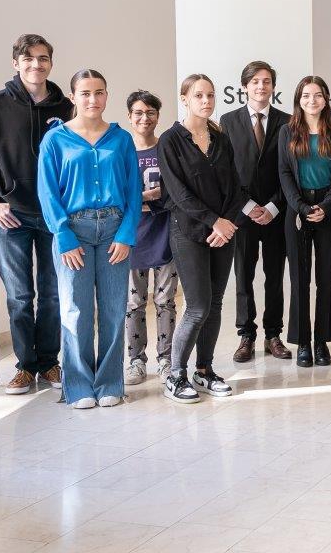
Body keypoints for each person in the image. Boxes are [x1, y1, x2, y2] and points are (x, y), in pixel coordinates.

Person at [0, 34, 73, 394]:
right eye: (28, 58)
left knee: (53, 293)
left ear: (51, 63)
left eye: (43, 58)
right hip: (11, 219)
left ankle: (49, 363)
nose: (36, 65)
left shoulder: (67, 108)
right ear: (15, 62)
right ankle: (25, 366)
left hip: (56, 218)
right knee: (20, 296)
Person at [37, 70, 141, 408]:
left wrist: (127, 233)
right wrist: (63, 234)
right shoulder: (55, 140)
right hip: (73, 233)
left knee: (113, 309)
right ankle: (79, 386)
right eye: (85, 93)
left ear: (107, 96)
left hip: (114, 230)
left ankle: (110, 382)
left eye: (98, 92)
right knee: (75, 311)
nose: (92, 100)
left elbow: (134, 191)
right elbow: (47, 191)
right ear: (73, 97)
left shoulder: (121, 139)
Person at [159, 74, 250, 404]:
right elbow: (179, 194)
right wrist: (214, 222)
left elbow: (236, 188)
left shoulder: (220, 138)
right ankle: (176, 374)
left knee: (213, 306)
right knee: (197, 307)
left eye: (210, 95)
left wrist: (227, 225)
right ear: (184, 98)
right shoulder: (170, 141)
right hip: (189, 232)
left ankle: (205, 370)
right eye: (199, 95)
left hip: (223, 233)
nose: (207, 101)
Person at [223, 61, 292, 364]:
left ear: (273, 87)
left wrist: (274, 206)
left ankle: (273, 334)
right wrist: (249, 207)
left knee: (275, 277)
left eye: (266, 82)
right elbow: (226, 172)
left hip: (277, 213)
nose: (261, 87)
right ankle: (246, 335)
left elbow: (290, 171)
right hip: (243, 214)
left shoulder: (288, 122)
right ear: (244, 87)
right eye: (255, 82)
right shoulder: (227, 121)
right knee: (244, 276)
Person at [278, 76, 331, 368]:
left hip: (327, 211)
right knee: (300, 280)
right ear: (298, 100)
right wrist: (301, 207)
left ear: (326, 99)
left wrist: (326, 206)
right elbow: (284, 173)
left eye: (317, 95)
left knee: (326, 280)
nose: (312, 101)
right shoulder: (287, 132)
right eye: (306, 96)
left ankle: (322, 341)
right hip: (297, 210)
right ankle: (303, 342)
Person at [123, 90, 177, 386]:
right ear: (130, 116)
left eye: (151, 113)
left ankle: (167, 359)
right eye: (139, 113)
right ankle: (135, 361)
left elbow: (174, 192)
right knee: (133, 303)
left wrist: (149, 198)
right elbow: (116, 196)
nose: (145, 118)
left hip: (166, 233)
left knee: (165, 300)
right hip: (131, 235)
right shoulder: (123, 151)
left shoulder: (166, 149)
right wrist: (143, 197)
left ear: (158, 115)